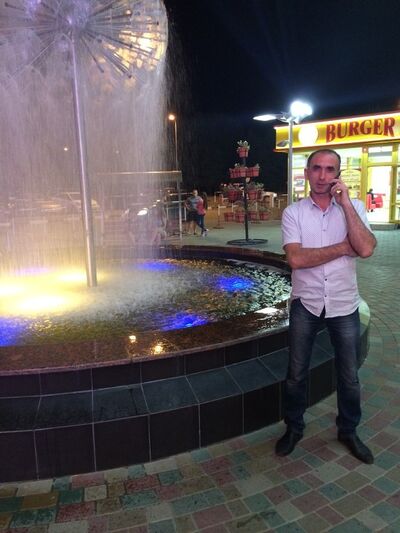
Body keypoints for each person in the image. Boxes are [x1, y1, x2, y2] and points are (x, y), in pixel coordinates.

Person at [276, 148, 377, 464]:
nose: (322, 176)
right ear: (306, 173)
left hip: (344, 304)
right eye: (316, 168)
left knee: (349, 376)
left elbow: (365, 248)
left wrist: (345, 203)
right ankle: (294, 427)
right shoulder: (293, 213)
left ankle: (348, 430)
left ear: (338, 175)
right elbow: (296, 259)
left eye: (329, 169)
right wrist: (343, 247)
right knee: (296, 373)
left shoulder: (354, 207)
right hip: (306, 303)